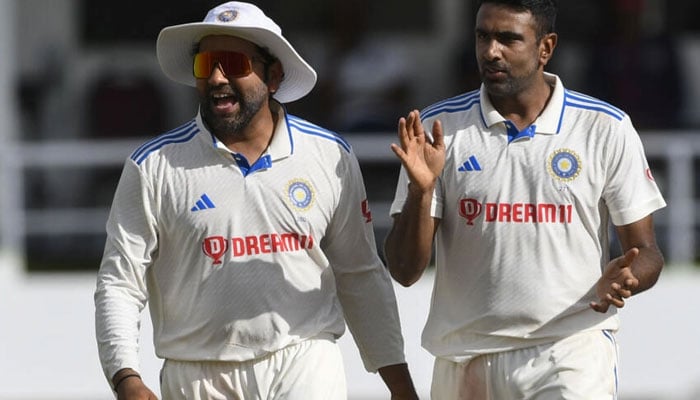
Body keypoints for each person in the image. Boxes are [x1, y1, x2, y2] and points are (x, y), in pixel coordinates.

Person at [94, 2, 418, 399]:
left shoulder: (328, 154)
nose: (216, 78)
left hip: (304, 359)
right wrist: (125, 377)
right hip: (197, 374)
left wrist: (400, 386)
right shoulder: (154, 166)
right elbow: (120, 283)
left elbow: (360, 274)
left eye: (232, 63)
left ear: (274, 75)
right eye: (205, 64)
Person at [384, 0, 666, 398]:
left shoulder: (605, 127)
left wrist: (630, 277)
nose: (490, 51)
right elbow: (404, 270)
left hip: (568, 349)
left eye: (508, 38)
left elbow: (647, 250)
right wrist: (422, 189)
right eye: (483, 36)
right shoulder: (439, 129)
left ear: (545, 47)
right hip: (466, 356)